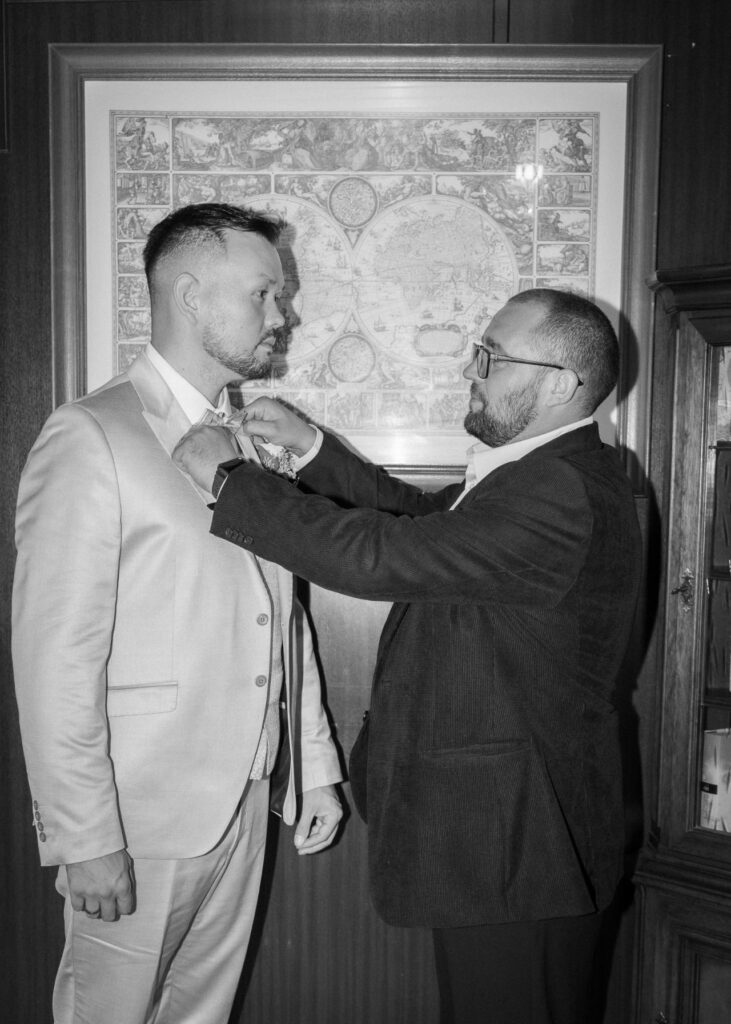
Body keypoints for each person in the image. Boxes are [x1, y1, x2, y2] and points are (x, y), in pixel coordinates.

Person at [173, 287, 642, 1024]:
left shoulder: (557, 486)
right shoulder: (544, 471)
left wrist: (231, 480)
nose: (471, 370)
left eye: (490, 357)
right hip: (510, 838)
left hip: (522, 846)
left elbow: (381, 557)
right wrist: (313, 449)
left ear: (558, 383)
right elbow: (423, 523)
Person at [11, 202, 343, 1024]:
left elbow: (280, 614)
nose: (283, 314)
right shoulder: (91, 434)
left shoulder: (251, 442)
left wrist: (313, 764)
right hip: (139, 816)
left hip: (246, 799)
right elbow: (55, 656)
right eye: (266, 294)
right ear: (192, 296)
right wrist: (84, 838)